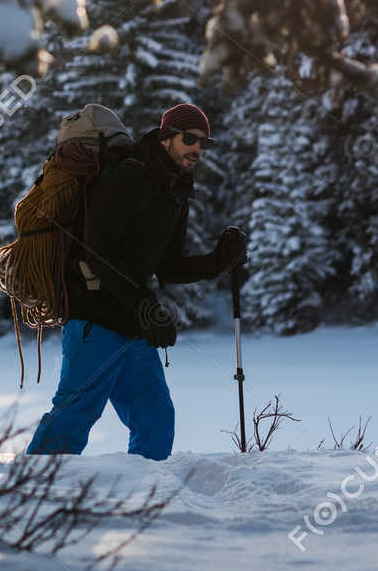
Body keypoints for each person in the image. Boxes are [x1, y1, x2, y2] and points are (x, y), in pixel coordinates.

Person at [25, 102, 247, 460]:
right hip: (93, 319)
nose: (198, 149)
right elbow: (96, 252)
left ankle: (145, 498)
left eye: (204, 143)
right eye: (190, 139)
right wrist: (144, 304)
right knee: (74, 416)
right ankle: (32, 497)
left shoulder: (176, 191)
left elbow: (169, 267)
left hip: (132, 326)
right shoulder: (129, 176)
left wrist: (219, 261)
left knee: (155, 419)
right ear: (165, 137)